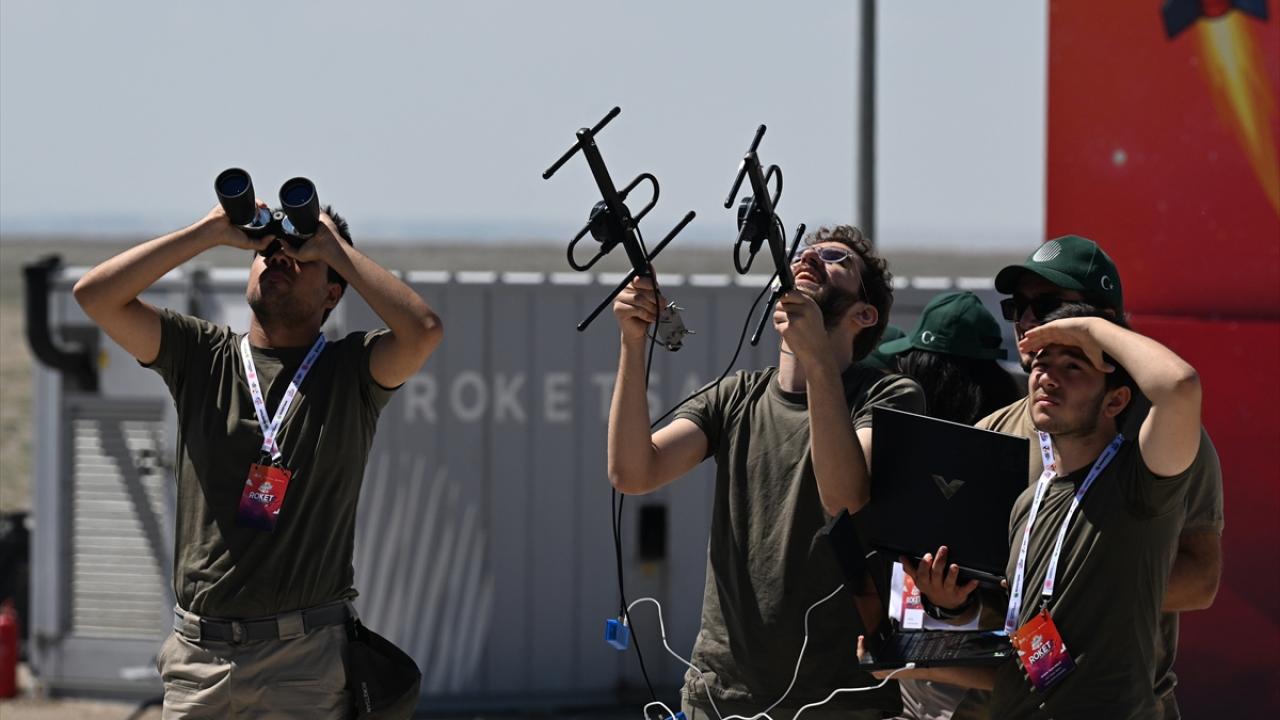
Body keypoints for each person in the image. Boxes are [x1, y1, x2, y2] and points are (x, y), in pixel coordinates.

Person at [72, 198, 443, 718]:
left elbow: (424, 331)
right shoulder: (202, 356)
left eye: (302, 253)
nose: (281, 257)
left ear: (334, 291)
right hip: (200, 661)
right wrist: (207, 232)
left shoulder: (351, 373)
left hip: (305, 664)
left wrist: (331, 245)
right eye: (269, 249)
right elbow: (95, 296)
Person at [608, 225, 924, 719]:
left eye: (835, 257)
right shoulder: (736, 396)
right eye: (807, 252)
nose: (812, 258)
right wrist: (630, 341)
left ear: (865, 314)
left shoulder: (890, 396)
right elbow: (633, 472)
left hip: (838, 704)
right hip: (721, 700)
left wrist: (817, 356)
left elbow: (843, 497)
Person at [881, 302, 1203, 718]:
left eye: (1072, 366)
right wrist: (950, 615)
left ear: (1116, 399)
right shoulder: (1029, 501)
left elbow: (1180, 385)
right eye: (1040, 363)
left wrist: (1088, 328)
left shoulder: (1137, 483)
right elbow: (1034, 659)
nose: (1047, 378)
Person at [981, 235, 1222, 718]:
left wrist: (1098, 584)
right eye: (1019, 307)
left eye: (1047, 306)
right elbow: (1001, 594)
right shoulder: (994, 431)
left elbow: (1201, 580)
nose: (1029, 321)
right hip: (1023, 693)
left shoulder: (1159, 439)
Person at [874, 290, 1019, 719]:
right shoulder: (1010, 461)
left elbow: (1023, 656)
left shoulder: (977, 481)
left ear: (931, 375)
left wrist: (913, 654)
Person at [879, 291, 1020, 425]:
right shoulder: (1013, 424)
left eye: (908, 360)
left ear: (934, 372)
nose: (901, 369)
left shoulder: (905, 433)